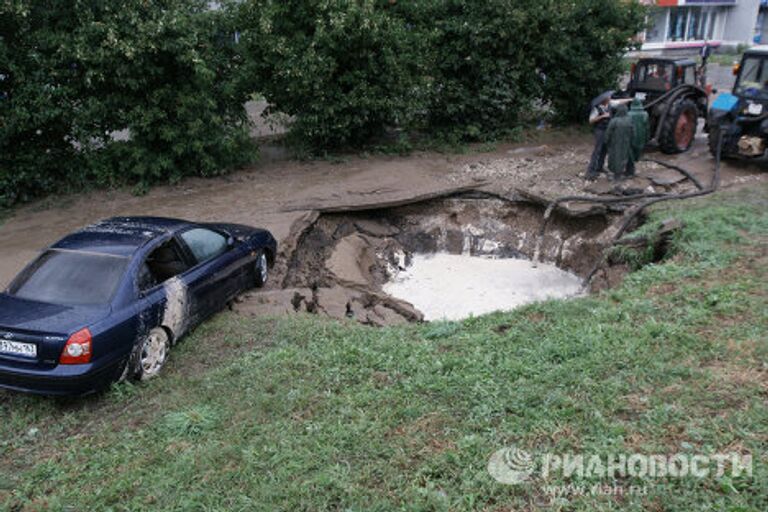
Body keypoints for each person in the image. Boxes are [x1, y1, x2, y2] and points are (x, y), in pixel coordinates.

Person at [586, 96, 631, 181]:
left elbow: (619, 101)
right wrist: (602, 116)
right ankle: (590, 171)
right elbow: (591, 120)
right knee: (597, 150)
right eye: (608, 98)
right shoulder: (596, 109)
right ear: (603, 100)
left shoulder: (609, 104)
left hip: (607, 130)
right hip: (600, 130)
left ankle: (600, 167)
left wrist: (630, 99)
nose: (610, 98)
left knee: (604, 150)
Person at [605, 104, 635, 181]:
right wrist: (632, 141)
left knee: (615, 158)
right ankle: (628, 172)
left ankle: (616, 175)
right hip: (626, 142)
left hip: (615, 143)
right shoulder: (630, 120)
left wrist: (606, 141)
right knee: (625, 157)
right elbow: (633, 132)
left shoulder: (614, 121)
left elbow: (608, 133)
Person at [628, 97, 649, 170]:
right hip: (642, 134)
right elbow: (647, 127)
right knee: (639, 147)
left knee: (632, 148)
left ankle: (632, 162)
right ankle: (637, 159)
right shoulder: (645, 114)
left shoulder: (629, 114)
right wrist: (647, 137)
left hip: (632, 135)